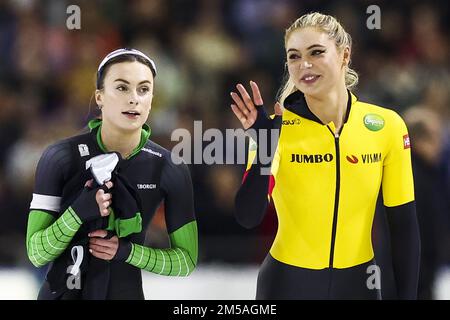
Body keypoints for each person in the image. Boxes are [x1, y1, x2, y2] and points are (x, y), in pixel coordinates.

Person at [230, 12, 420, 299]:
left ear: (345, 55)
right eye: (294, 57)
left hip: (359, 286)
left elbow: (403, 228)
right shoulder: (273, 129)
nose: (304, 64)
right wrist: (266, 148)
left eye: (316, 52)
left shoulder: (387, 127)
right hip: (285, 286)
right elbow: (248, 216)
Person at [26, 48, 198, 300]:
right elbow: (36, 253)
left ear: (152, 99)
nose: (134, 99)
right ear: (99, 97)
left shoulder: (170, 167)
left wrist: (126, 252)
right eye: (121, 87)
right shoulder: (60, 157)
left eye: (143, 89)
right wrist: (76, 213)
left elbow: (186, 261)